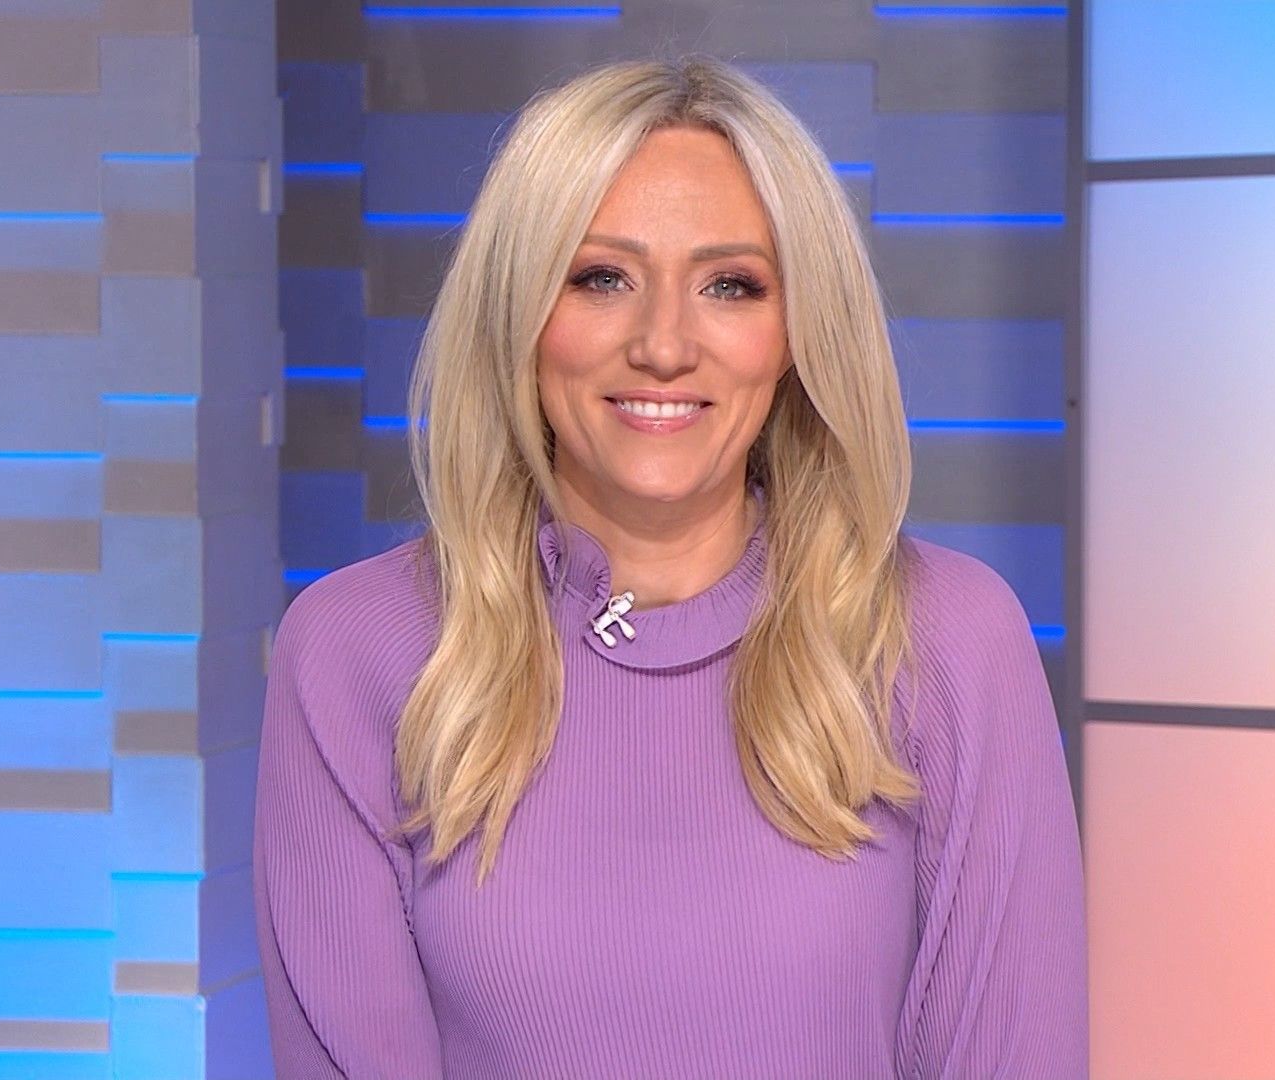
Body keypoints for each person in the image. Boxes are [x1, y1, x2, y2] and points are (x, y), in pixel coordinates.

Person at [252, 54, 1086, 1079]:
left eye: (730, 285)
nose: (662, 345)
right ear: (520, 312)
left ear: (795, 332)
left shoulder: (947, 637)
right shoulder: (356, 650)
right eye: (601, 278)